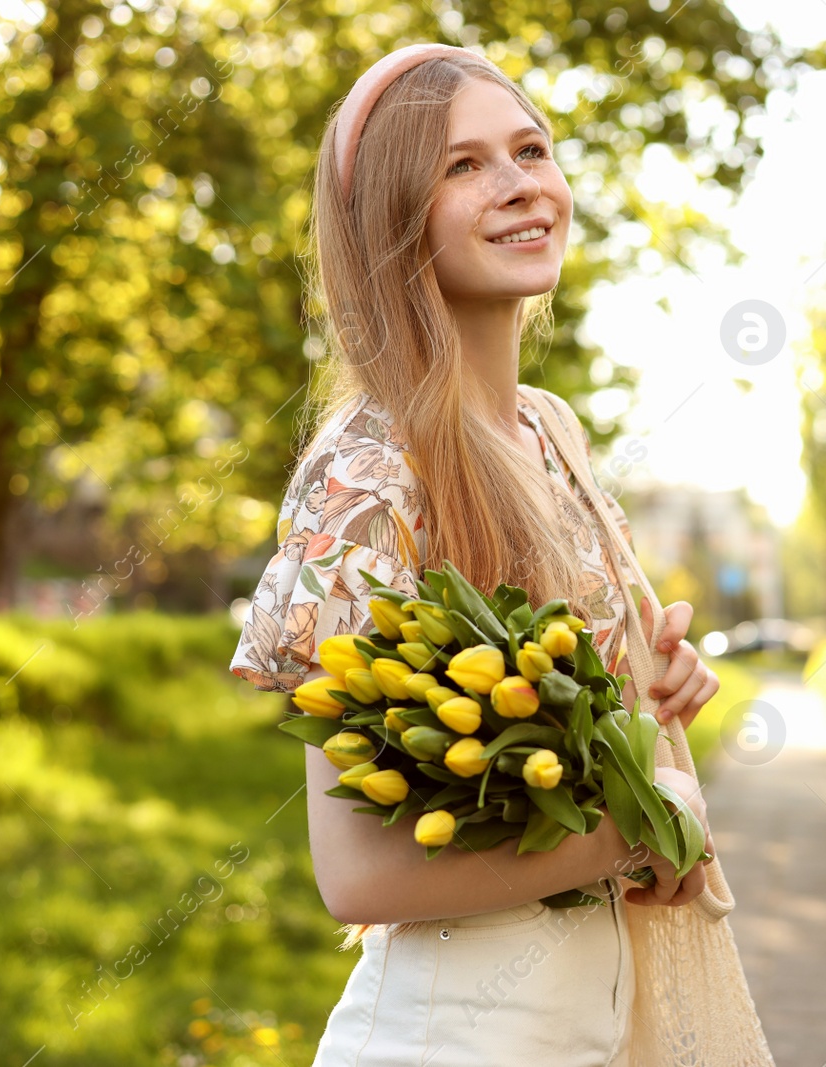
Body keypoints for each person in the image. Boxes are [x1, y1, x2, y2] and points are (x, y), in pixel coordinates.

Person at [227, 42, 724, 1067]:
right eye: (462, 166)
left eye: (530, 149)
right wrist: (640, 822)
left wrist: (649, 695)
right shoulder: (370, 477)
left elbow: (559, 752)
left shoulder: (545, 432)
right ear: (390, 222)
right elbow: (358, 875)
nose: (518, 186)